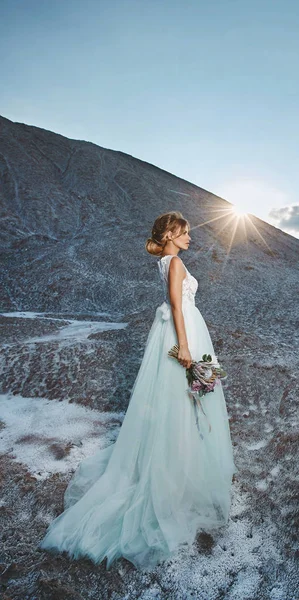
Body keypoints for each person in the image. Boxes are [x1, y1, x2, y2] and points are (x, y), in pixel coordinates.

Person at [38, 210, 238, 570]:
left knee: (190, 397)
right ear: (171, 234)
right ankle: (182, 474)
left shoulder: (167, 261)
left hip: (181, 332)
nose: (190, 237)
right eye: (185, 232)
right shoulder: (174, 263)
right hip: (185, 333)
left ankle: (186, 463)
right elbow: (178, 305)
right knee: (195, 397)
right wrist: (187, 347)